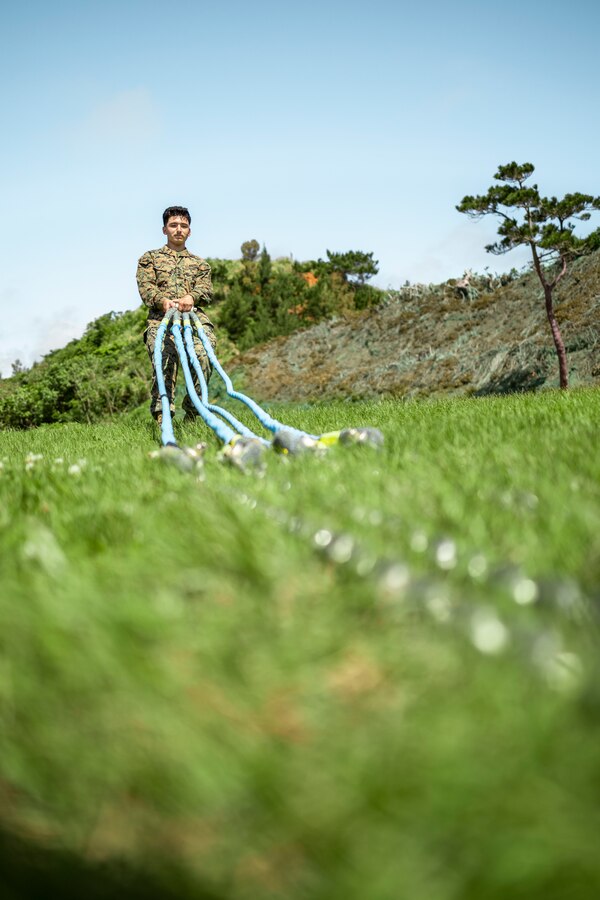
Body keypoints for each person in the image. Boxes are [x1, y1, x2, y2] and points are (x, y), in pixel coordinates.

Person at [136, 206, 217, 423]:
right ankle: (163, 416)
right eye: (173, 225)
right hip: (160, 321)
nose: (178, 230)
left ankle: (193, 413)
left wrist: (192, 297)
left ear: (189, 231)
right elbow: (146, 288)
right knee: (164, 362)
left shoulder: (201, 264)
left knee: (203, 358)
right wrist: (163, 301)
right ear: (164, 229)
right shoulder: (149, 259)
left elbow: (206, 290)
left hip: (193, 321)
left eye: (183, 226)